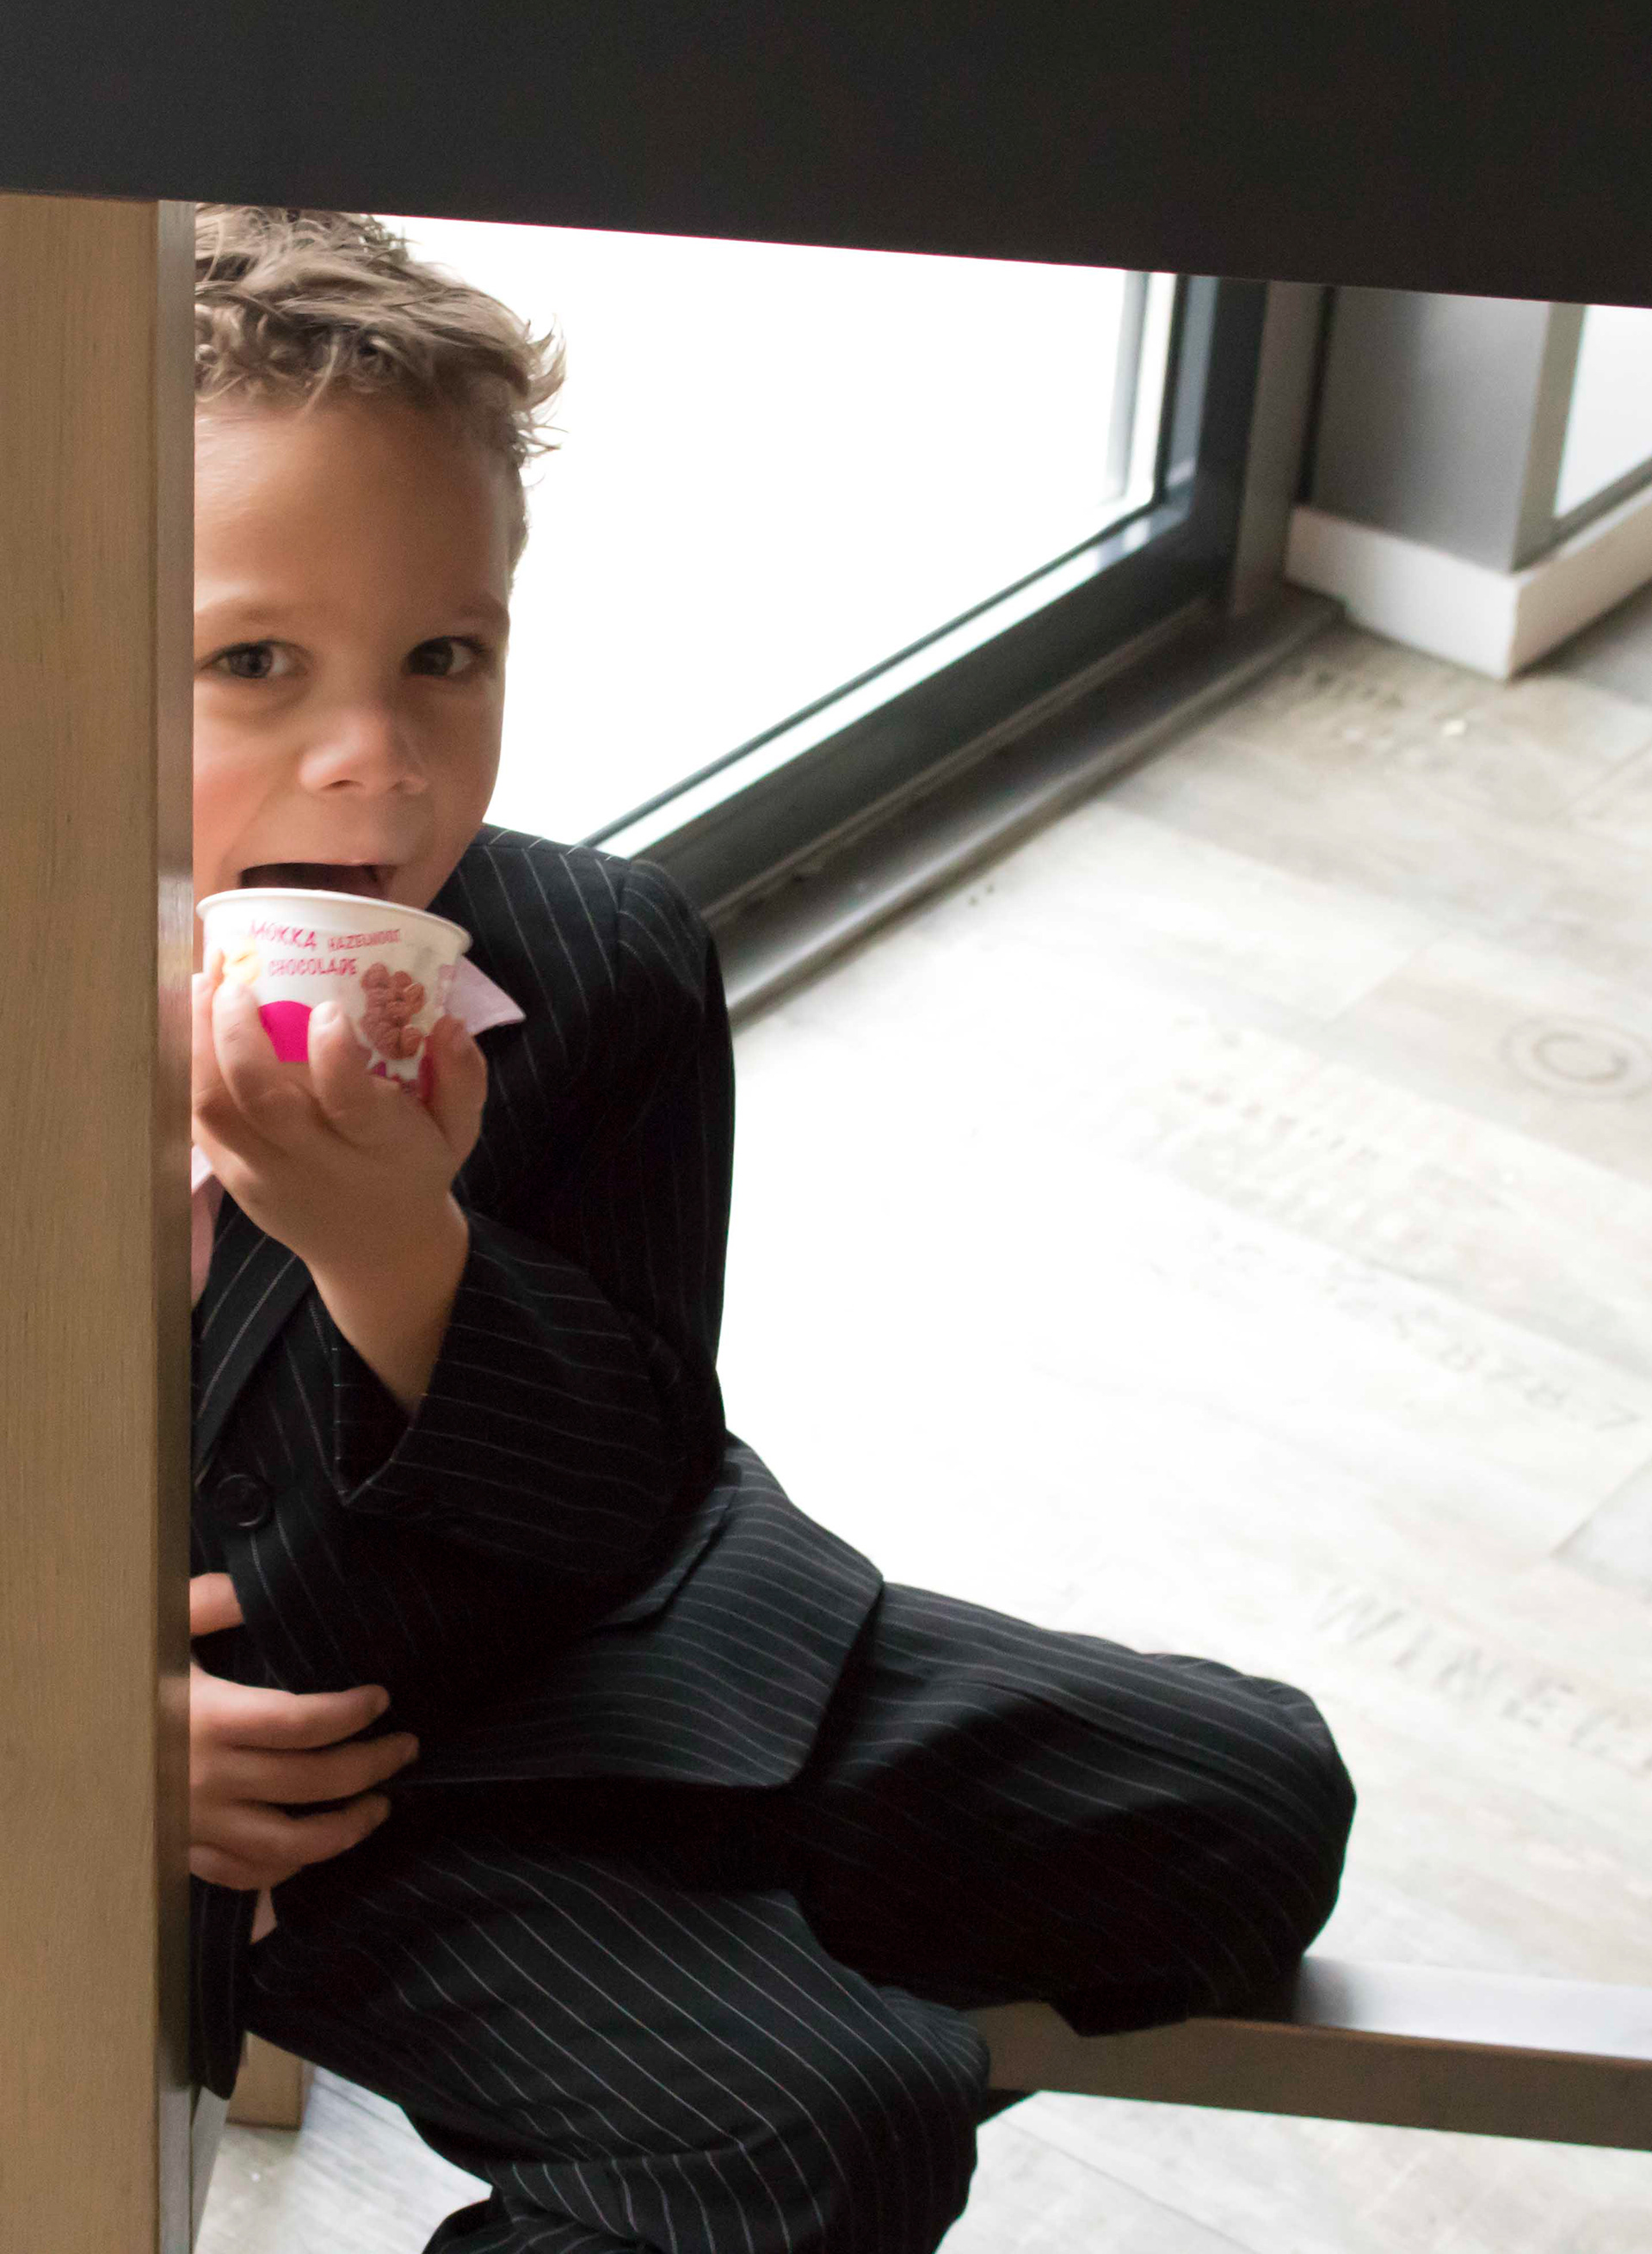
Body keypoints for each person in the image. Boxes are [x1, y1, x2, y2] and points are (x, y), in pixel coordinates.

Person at [187, 203, 1356, 2254]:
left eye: (446, 656)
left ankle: (706, 1951)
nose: (377, 757)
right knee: (817, 2131)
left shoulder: (600, 959)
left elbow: (637, 1474)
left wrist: (397, 1250)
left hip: (638, 1633)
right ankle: (715, 2033)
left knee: (1257, 1800)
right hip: (308, 1806)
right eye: (253, 663)